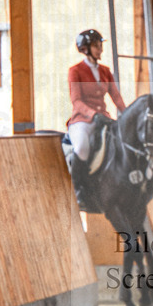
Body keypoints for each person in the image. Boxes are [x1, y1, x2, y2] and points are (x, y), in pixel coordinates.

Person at [66, 29, 127, 189]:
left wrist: (127, 114)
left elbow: (116, 97)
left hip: (104, 119)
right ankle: (78, 189)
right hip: (83, 120)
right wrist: (94, 115)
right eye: (96, 46)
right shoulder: (75, 71)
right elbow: (76, 101)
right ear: (85, 49)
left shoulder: (105, 71)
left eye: (100, 45)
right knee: (82, 147)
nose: (100, 49)